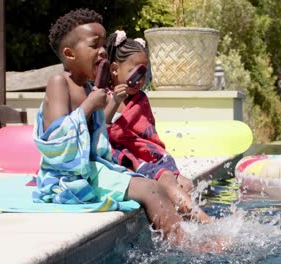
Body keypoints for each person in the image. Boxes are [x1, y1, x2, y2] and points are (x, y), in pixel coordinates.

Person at [31, 9, 220, 249]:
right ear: (69, 53)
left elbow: (97, 139)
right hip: (67, 177)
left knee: (158, 184)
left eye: (103, 44)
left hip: (92, 169)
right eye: (94, 45)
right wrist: (90, 106)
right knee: (150, 190)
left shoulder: (89, 88)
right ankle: (187, 246)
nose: (102, 51)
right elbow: (55, 140)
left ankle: (186, 236)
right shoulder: (60, 83)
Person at [103, 30, 210, 223]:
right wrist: (114, 102)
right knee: (167, 180)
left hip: (148, 157)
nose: (140, 80)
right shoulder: (105, 97)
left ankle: (186, 227)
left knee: (186, 184)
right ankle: (206, 223)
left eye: (143, 73)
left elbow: (147, 137)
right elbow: (101, 128)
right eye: (134, 73)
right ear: (114, 69)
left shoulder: (140, 99)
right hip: (126, 158)